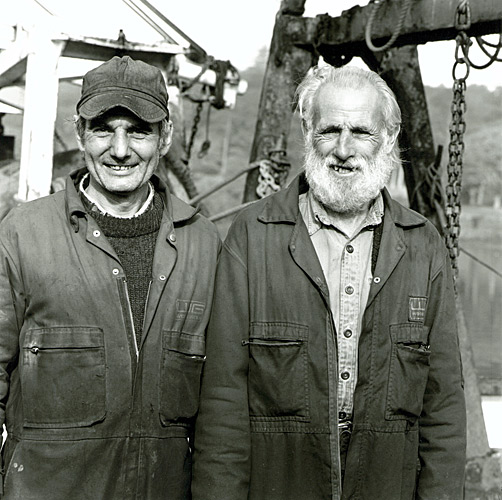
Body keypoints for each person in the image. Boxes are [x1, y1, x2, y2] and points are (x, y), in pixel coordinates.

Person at [192, 65, 466, 499]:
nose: (343, 148)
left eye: (361, 131)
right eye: (329, 130)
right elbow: (223, 404)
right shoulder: (252, 236)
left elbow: (443, 408)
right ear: (307, 131)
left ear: (389, 139)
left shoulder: (423, 247)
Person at [0, 55, 220, 499]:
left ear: (165, 137)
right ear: (80, 134)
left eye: (139, 130)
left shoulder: (203, 243)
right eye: (104, 129)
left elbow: (222, 402)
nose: (120, 150)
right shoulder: (23, 233)